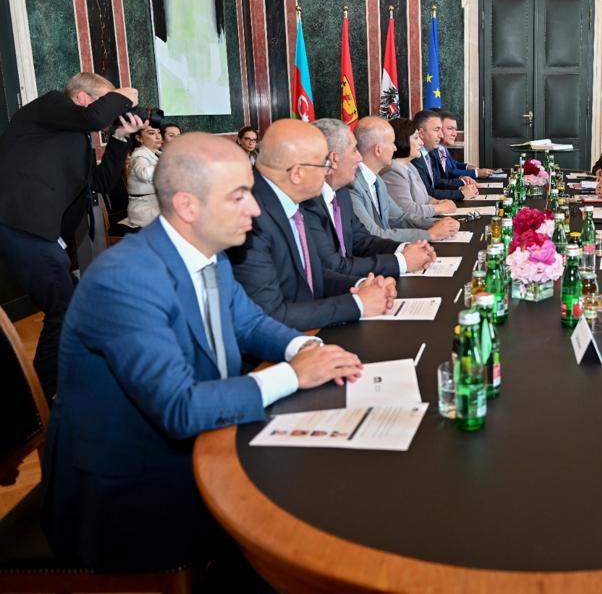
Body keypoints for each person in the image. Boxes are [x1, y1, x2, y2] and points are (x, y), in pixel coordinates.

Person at [40, 132, 363, 573]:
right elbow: (180, 408)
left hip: (200, 446)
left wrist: (305, 346)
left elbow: (249, 323)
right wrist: (294, 374)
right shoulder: (125, 279)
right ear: (188, 207)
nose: (255, 209)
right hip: (130, 495)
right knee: (303, 536)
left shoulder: (208, 252)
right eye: (239, 196)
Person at [0, 71, 141, 401]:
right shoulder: (49, 105)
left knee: (76, 302)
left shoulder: (76, 139)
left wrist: (120, 137)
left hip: (38, 231)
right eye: (106, 101)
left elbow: (100, 183)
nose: (112, 112)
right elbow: (94, 117)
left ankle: (67, 376)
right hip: (19, 222)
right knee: (64, 306)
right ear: (82, 98)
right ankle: (45, 393)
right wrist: (125, 94)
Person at [229, 119, 393, 331]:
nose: (328, 171)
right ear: (297, 173)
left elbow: (312, 275)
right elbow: (270, 315)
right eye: (324, 164)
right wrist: (358, 304)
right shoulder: (251, 217)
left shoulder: (289, 199)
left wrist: (362, 287)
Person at [306, 117, 437, 271]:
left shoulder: (341, 194)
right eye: (354, 150)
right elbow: (333, 266)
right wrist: (402, 261)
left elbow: (362, 240)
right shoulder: (310, 204)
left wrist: (405, 249)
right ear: (333, 159)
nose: (359, 157)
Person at [348, 116, 461, 242]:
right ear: (378, 150)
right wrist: (429, 234)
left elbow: (399, 217)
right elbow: (373, 234)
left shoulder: (377, 180)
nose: (395, 148)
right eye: (392, 143)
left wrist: (436, 224)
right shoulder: (352, 185)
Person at [382, 118, 458, 219]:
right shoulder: (393, 171)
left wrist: (438, 202)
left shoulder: (410, 166)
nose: (421, 143)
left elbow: (425, 198)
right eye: (416, 138)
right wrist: (439, 208)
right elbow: (407, 211)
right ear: (402, 140)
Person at [410, 109, 478, 201]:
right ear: (421, 133)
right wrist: (461, 193)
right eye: (436, 130)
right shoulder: (415, 157)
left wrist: (461, 184)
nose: (441, 135)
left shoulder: (430, 152)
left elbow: (437, 182)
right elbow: (426, 193)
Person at [435, 108, 494, 178]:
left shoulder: (442, 148)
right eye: (450, 128)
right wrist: (476, 173)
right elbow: (447, 171)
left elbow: (453, 164)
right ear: (438, 129)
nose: (455, 134)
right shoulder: (433, 151)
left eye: (455, 129)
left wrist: (467, 166)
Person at [126, 124, 164, 228]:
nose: (158, 137)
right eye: (152, 133)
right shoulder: (139, 155)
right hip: (144, 209)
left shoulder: (157, 153)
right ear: (139, 138)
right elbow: (144, 174)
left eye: (159, 132)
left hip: (156, 204)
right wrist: (165, 162)